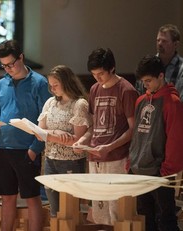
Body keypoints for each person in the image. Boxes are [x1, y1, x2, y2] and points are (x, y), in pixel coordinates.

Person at [0, 40, 51, 231]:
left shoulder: (39, 82)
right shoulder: (2, 83)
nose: (8, 69)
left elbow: (45, 119)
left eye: (11, 64)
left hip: (26, 148)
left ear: (21, 57)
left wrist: (34, 150)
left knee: (32, 197)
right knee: (7, 197)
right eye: (4, 65)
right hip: (2, 147)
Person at [73, 48, 139, 225]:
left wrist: (109, 147)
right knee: (99, 211)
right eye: (94, 74)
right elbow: (95, 125)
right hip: (95, 156)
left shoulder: (126, 90)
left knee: (116, 211)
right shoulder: (95, 89)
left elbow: (133, 129)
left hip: (117, 157)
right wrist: (83, 140)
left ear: (112, 68)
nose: (97, 78)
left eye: (101, 73)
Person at [129, 55, 183, 231]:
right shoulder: (140, 101)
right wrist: (132, 161)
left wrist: (166, 171)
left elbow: (176, 140)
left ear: (161, 76)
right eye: (143, 81)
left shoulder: (172, 102)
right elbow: (137, 135)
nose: (146, 85)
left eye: (149, 80)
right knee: (145, 220)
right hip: (139, 170)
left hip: (160, 173)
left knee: (165, 221)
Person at [36, 65, 92, 217]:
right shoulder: (50, 103)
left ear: (66, 82)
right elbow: (39, 133)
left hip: (71, 161)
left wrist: (49, 135)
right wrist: (56, 133)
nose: (52, 89)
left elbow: (76, 140)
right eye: (50, 85)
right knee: (55, 212)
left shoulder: (79, 104)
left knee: (70, 212)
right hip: (50, 159)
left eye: (56, 85)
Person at [135, 24, 183, 100]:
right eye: (158, 40)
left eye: (164, 41)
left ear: (176, 44)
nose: (160, 44)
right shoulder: (148, 64)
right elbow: (139, 91)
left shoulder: (181, 68)